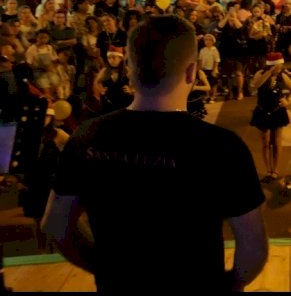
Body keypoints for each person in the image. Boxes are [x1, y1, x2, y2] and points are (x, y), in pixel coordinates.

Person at [41, 15, 269, 292]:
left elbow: (55, 224)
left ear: (129, 68)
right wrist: (228, 285)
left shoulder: (87, 136)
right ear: (191, 72)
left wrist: (104, 266)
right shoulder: (222, 147)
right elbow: (253, 248)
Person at [250, 52, 291, 183]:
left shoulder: (282, 76)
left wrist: (288, 101)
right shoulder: (261, 74)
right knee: (265, 142)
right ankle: (268, 170)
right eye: (279, 65)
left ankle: (275, 170)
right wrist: (269, 72)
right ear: (273, 65)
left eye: (281, 65)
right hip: (263, 110)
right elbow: (255, 85)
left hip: (277, 111)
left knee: (276, 142)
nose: (281, 67)